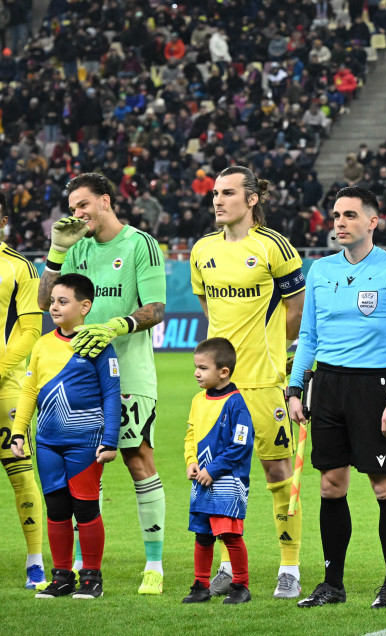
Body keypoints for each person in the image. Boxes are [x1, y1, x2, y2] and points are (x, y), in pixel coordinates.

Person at [287, 186, 386, 609]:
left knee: (384, 486)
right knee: (331, 485)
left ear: (372, 221)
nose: (339, 223)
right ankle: (332, 584)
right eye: (335, 216)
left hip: (375, 388)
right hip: (327, 386)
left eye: (349, 215)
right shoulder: (322, 270)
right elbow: (307, 334)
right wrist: (296, 387)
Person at [39, 173, 167, 595]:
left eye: (83, 205)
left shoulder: (139, 244)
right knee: (79, 469)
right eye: (72, 207)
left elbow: (157, 307)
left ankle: (154, 563)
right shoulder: (76, 249)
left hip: (128, 374)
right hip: (76, 375)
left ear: (106, 201)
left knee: (136, 459)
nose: (77, 214)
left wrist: (118, 324)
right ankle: (81, 561)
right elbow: (46, 302)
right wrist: (57, 252)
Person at [191, 165, 306, 600]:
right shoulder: (202, 250)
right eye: (215, 193)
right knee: (218, 477)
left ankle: (289, 567)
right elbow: (209, 311)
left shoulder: (274, 246)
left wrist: (280, 354)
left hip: (263, 384)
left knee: (278, 473)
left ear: (252, 199)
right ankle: (225, 566)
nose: (218, 200)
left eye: (228, 193)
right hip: (218, 390)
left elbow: (296, 310)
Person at [11, 273, 120, 599]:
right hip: (46, 442)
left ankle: (91, 578)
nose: (54, 307)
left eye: (63, 301)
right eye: (53, 301)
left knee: (85, 510)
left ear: (85, 306)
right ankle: (61, 577)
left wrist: (110, 440)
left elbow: (112, 394)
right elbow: (29, 391)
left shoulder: (100, 346)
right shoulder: (42, 344)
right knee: (56, 509)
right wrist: (19, 433)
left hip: (86, 442)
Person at [182, 338, 254, 605]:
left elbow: (241, 445)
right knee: (202, 535)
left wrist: (213, 469)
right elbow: (191, 434)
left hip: (227, 482)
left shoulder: (236, 404)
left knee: (230, 535)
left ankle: (240, 587)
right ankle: (200, 586)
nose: (196, 373)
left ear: (223, 372)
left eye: (203, 368)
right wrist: (192, 461)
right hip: (202, 480)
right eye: (196, 367)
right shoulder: (198, 400)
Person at [0, 190, 46, 589]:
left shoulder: (19, 267)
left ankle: (35, 561)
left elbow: (31, 328)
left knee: (20, 471)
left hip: (5, 388)